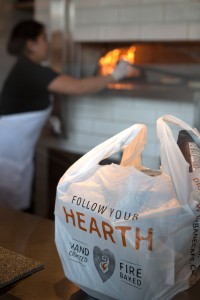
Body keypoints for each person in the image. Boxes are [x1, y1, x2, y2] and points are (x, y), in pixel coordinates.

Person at [0, 20, 131, 211]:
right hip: (7, 154)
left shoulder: (27, 68)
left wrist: (47, 121)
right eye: (44, 38)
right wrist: (114, 76)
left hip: (15, 152)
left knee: (11, 209)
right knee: (8, 215)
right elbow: (77, 87)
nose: (48, 44)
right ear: (31, 44)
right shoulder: (30, 70)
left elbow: (25, 107)